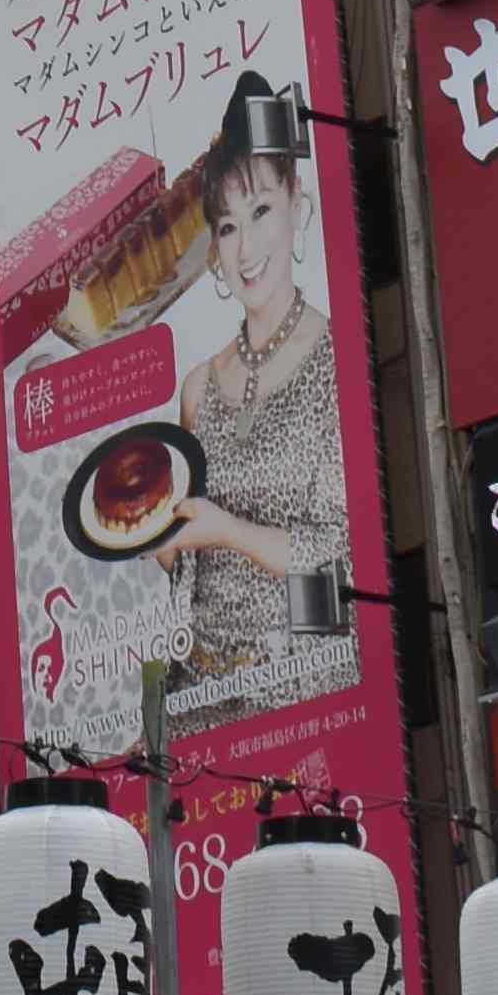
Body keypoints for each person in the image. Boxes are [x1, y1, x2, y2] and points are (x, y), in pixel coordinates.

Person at [158, 77, 350, 694]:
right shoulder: (197, 389)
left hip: (308, 690)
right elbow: (190, 574)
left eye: (261, 211)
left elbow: (341, 553)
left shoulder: (339, 360)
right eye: (227, 226)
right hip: (200, 696)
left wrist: (227, 531)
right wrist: (166, 546)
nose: (245, 250)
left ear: (298, 204)